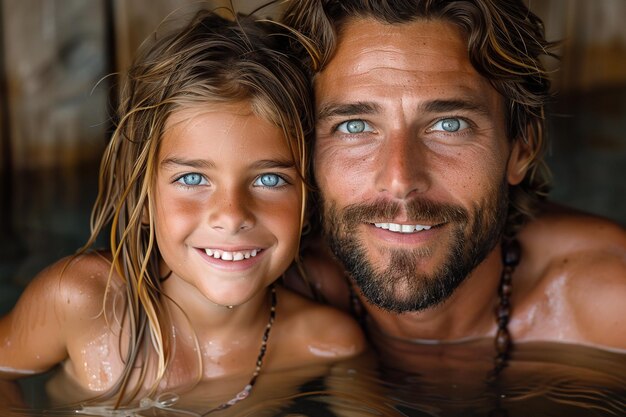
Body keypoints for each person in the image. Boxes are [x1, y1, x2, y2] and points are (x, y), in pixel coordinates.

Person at [0, 7, 364, 411]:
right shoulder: (81, 302)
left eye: (269, 179)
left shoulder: (327, 344)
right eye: (192, 179)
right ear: (142, 197)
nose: (231, 214)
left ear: (308, 204)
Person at [281, 0, 626, 360]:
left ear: (522, 147)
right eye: (354, 127)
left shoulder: (611, 302)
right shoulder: (271, 293)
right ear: (306, 152)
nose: (400, 180)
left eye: (450, 125)